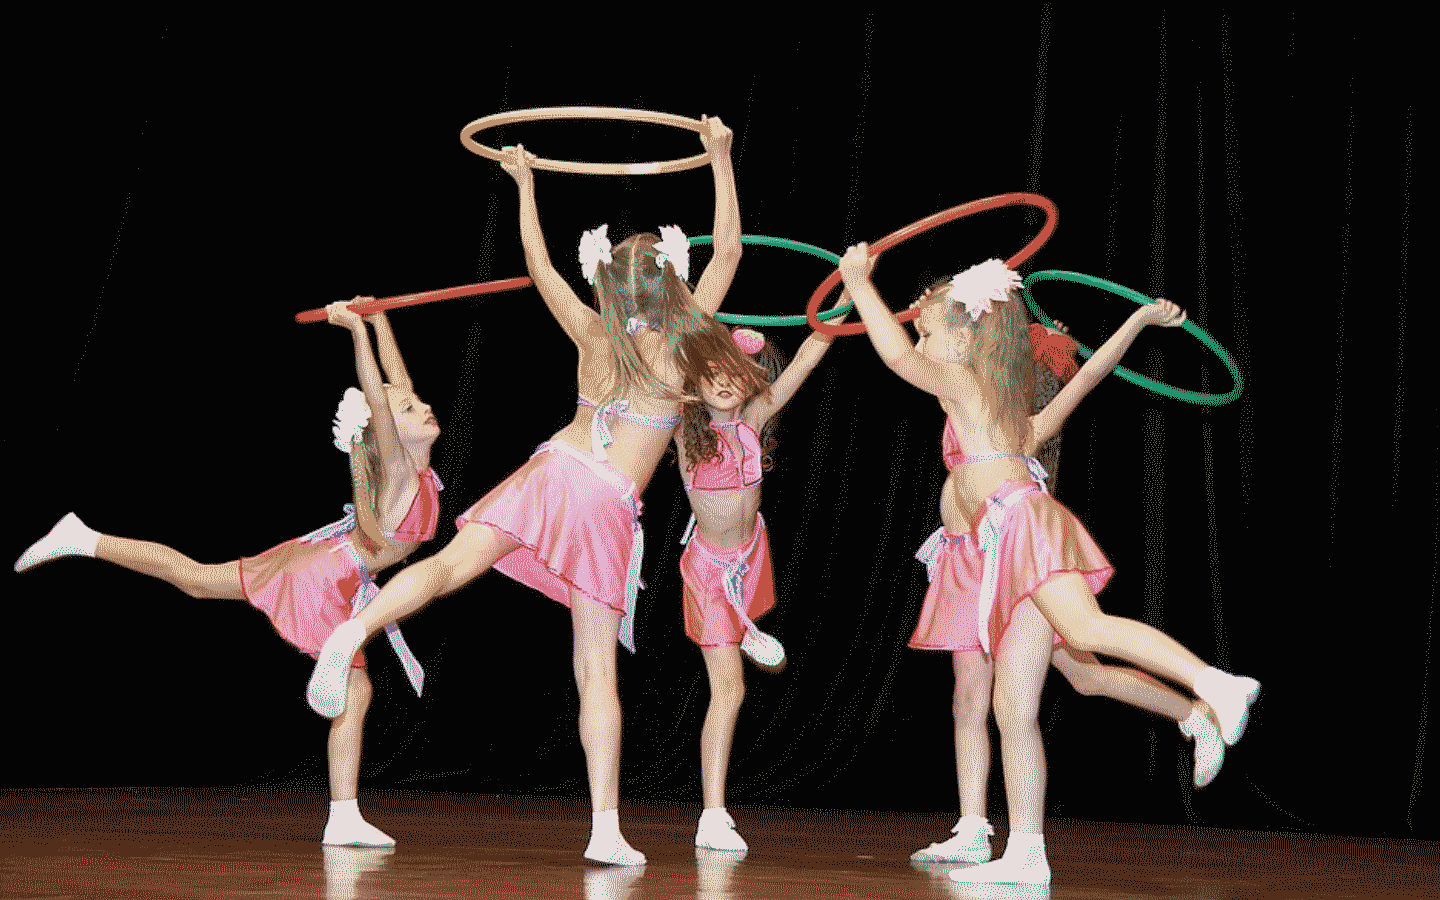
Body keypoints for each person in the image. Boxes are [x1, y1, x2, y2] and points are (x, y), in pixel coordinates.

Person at [304, 117, 759, 866]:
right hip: (604, 500)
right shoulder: (685, 340)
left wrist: (523, 182)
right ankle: (605, 830)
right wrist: (721, 159)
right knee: (594, 668)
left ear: (608, 285)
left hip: (551, 467)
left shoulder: (591, 330)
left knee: (449, 567)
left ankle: (352, 633)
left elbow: (538, 263)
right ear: (674, 281)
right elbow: (733, 249)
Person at [838, 247, 1259, 884]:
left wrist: (858, 284)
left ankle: (1216, 686)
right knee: (1013, 709)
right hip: (999, 547)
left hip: (1022, 530)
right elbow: (1088, 379)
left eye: (928, 331)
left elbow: (896, 357)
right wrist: (1136, 323)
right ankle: (1026, 854)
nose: (920, 344)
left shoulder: (965, 384)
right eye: (919, 333)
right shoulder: (1008, 416)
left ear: (967, 338)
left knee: (1086, 635)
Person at [15, 305, 443, 847]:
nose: (424, 405)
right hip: (326, 578)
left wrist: (379, 321)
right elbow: (382, 398)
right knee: (355, 694)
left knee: (197, 580)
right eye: (411, 408)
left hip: (317, 559)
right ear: (388, 432)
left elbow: (394, 386)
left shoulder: (410, 465)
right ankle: (342, 814)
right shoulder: (399, 469)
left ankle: (84, 538)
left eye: (418, 402)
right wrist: (357, 330)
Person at [908, 311, 1227, 866]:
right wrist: (926, 324)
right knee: (969, 699)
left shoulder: (1008, 421)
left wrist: (1137, 322)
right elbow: (934, 353)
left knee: (1084, 675)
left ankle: (1194, 713)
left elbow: (1091, 372)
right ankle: (973, 827)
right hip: (965, 564)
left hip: (1010, 561)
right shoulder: (971, 407)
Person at [675, 294, 849, 851]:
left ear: (751, 379)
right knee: (729, 690)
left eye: (736, 371)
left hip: (750, 559)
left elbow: (807, 354)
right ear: (694, 379)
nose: (725, 381)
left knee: (735, 684)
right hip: (707, 572)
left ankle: (746, 626)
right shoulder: (681, 428)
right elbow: (659, 358)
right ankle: (713, 814)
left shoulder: (753, 419)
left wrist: (845, 296)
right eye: (713, 371)